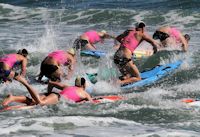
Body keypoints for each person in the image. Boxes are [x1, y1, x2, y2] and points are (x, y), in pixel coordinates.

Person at [2, 76, 93, 107]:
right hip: (57, 98)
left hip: (54, 95)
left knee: (33, 101)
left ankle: (13, 97)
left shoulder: (67, 86)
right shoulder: (85, 93)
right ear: (84, 85)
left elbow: (51, 83)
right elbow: (92, 103)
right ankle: (25, 83)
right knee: (41, 103)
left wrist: (48, 93)